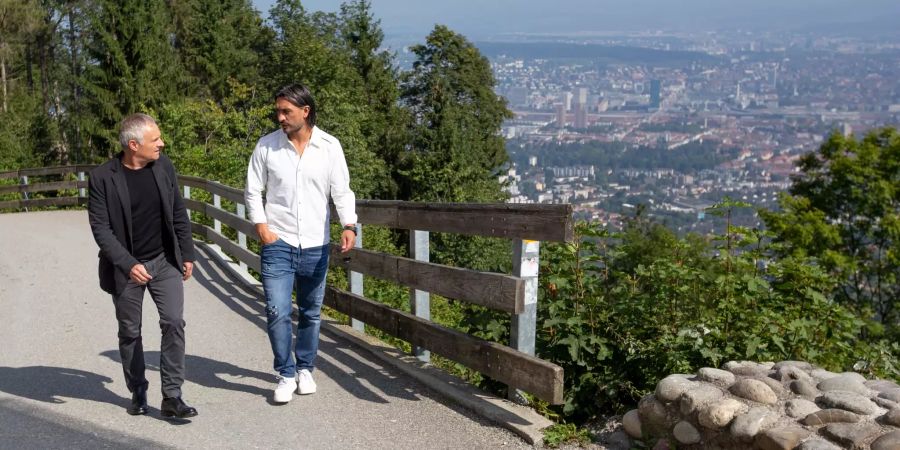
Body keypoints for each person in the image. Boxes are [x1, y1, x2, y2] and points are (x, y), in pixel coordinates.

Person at [245, 84, 357, 404]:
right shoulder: (267, 146)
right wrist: (262, 227)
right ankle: (285, 373)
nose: (280, 117)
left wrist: (349, 224)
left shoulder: (329, 146)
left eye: (286, 112)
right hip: (278, 241)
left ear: (304, 112)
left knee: (311, 312)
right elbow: (253, 191)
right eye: (278, 111)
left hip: (315, 244)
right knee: (277, 309)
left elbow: (342, 190)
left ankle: (305, 368)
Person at [88, 113, 199, 419]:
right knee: (130, 330)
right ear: (133, 145)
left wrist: (186, 254)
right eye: (156, 140)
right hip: (127, 266)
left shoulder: (163, 166)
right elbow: (101, 230)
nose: (162, 143)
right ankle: (137, 388)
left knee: (174, 322)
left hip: (165, 260)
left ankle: (172, 396)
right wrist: (127, 263)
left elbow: (178, 210)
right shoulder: (102, 178)